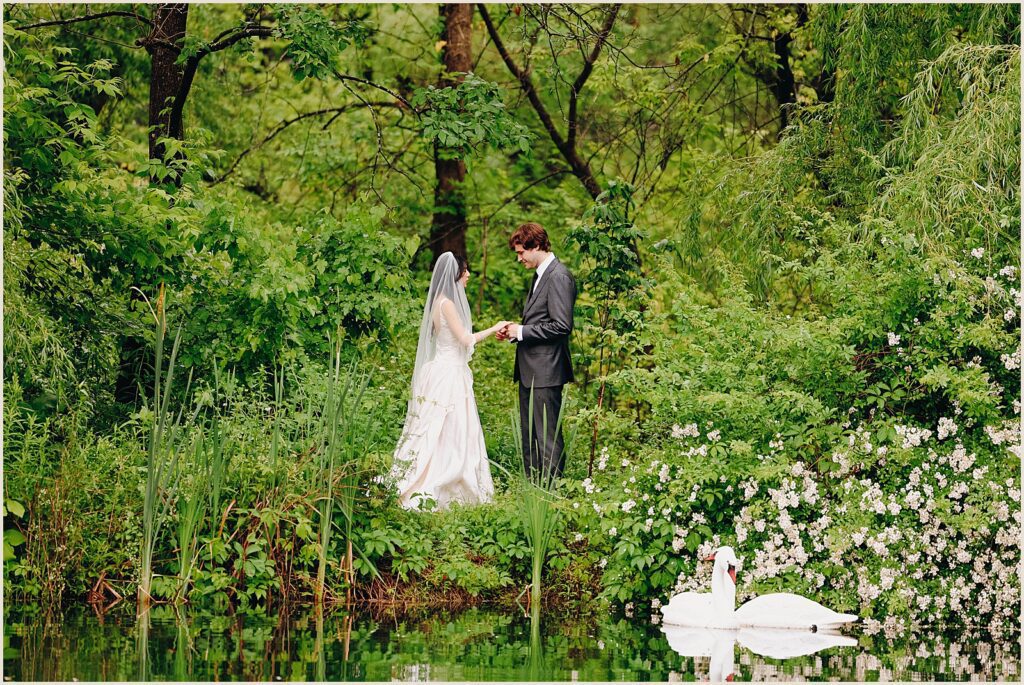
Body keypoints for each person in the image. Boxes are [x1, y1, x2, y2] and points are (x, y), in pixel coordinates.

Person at [392, 252, 510, 510]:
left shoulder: (437, 301)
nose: (468, 275)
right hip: (449, 375)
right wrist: (495, 327)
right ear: (455, 274)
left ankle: (447, 483)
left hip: (441, 371)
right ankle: (446, 486)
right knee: (453, 430)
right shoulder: (447, 304)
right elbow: (465, 340)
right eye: (465, 270)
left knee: (443, 430)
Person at [496, 222, 576, 481]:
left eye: (521, 252)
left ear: (538, 245)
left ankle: (550, 495)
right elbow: (540, 320)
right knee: (530, 435)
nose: (519, 258)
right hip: (532, 371)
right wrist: (513, 333)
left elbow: (562, 326)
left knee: (547, 439)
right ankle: (533, 490)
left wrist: (522, 332)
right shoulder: (540, 274)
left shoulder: (559, 276)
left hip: (547, 371)